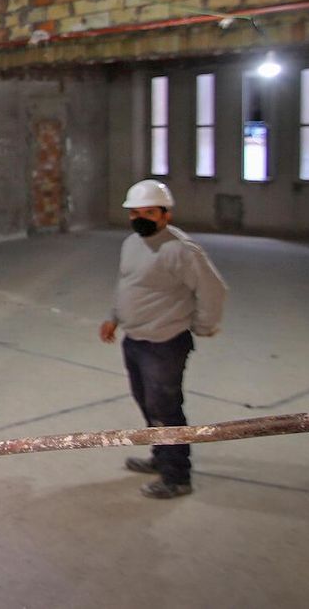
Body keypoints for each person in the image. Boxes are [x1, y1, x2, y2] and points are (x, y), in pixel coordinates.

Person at [100, 179, 226, 499]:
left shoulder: (182, 250)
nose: (141, 218)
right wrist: (114, 318)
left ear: (165, 214)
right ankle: (160, 456)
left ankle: (177, 476)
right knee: (145, 401)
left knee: (166, 408)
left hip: (165, 342)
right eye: (135, 212)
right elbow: (126, 283)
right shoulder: (130, 243)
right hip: (135, 338)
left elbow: (213, 290)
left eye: (149, 212)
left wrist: (203, 325)